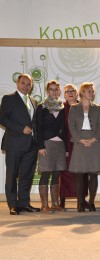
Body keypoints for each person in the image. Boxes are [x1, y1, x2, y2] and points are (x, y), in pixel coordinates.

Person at [0, 74, 40, 215]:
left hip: (31, 145)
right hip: (14, 144)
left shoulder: (34, 101)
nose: (26, 86)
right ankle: (12, 204)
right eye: (23, 83)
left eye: (28, 84)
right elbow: (2, 118)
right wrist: (20, 128)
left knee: (27, 175)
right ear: (18, 83)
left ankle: (24, 203)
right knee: (12, 175)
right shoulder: (9, 99)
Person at [68, 82, 100, 212]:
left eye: (93, 91)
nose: (92, 93)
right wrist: (80, 140)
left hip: (94, 142)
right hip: (79, 142)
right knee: (79, 174)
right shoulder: (73, 108)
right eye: (89, 91)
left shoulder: (98, 108)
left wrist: (93, 139)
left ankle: (92, 202)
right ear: (82, 92)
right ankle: (80, 203)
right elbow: (71, 126)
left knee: (93, 173)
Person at [35, 80, 67, 212]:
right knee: (45, 173)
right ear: (48, 91)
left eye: (56, 89)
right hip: (46, 144)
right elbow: (38, 128)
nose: (54, 91)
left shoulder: (63, 107)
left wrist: (65, 148)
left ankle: (55, 203)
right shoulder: (42, 107)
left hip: (60, 144)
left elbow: (64, 129)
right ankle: (44, 205)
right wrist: (40, 146)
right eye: (51, 89)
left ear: (59, 90)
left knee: (56, 173)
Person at [60, 84, 89, 210]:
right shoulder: (60, 108)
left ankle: (81, 200)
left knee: (82, 173)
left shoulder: (84, 106)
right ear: (64, 95)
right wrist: (64, 148)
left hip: (82, 144)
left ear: (77, 94)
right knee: (65, 172)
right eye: (68, 91)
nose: (70, 93)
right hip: (66, 144)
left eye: (73, 91)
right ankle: (61, 201)